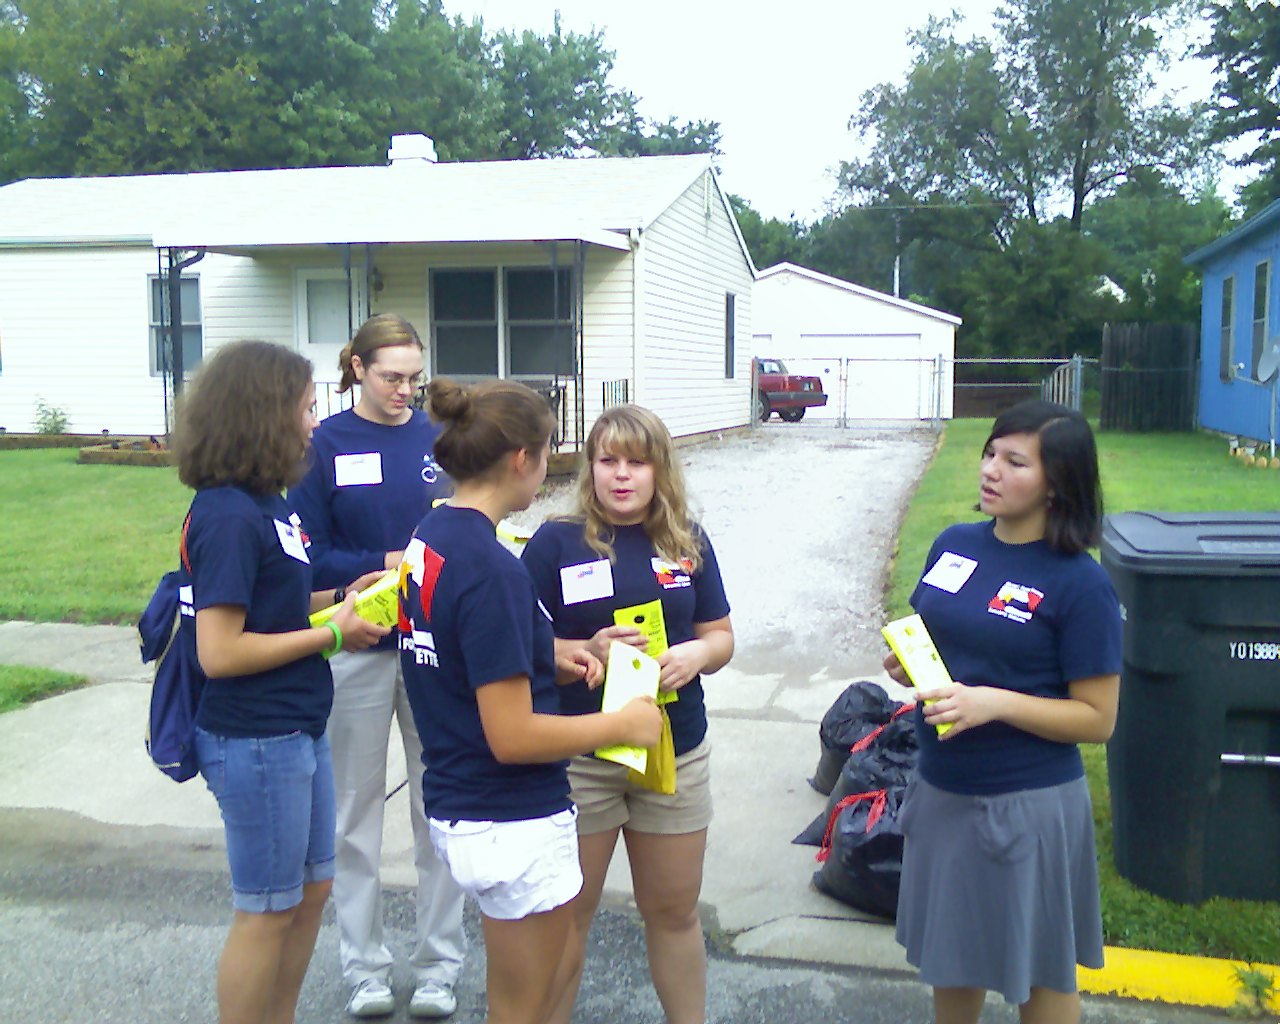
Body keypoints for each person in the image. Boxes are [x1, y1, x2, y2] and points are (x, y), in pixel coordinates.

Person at [399, 378, 663, 1024]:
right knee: (527, 1005)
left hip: (458, 799)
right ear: (523, 459)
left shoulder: (430, 538)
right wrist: (621, 722)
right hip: (509, 814)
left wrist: (551, 654)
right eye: (548, 453)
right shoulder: (494, 569)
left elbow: (456, 648)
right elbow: (512, 735)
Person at [883, 399, 1122, 1024]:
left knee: (1039, 973)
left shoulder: (1081, 584)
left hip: (1027, 804)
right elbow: (950, 640)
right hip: (943, 790)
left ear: (1057, 483)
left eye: (1016, 461)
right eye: (991, 453)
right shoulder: (954, 544)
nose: (991, 469)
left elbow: (1097, 719)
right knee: (951, 964)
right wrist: (912, 664)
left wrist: (994, 703)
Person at [171, 340, 388, 1024]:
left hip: (298, 727)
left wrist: (341, 598)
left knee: (313, 889)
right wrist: (333, 636)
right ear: (264, 413)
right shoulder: (228, 515)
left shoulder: (269, 503)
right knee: (265, 909)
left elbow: (273, 606)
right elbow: (221, 651)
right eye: (304, 406)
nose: (313, 421)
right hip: (255, 737)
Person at [521, 404, 735, 1024]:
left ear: (658, 470)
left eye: (636, 462)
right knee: (567, 918)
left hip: (673, 749)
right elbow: (519, 649)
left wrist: (696, 653)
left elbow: (721, 637)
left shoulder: (686, 541)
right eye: (608, 460)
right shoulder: (554, 543)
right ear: (590, 468)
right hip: (580, 755)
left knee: (673, 912)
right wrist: (580, 652)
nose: (621, 475)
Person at [290, 314, 466, 1019]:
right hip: (359, 645)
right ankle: (364, 966)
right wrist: (378, 568)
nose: (405, 391)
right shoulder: (322, 445)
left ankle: (438, 967)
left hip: (434, 650)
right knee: (354, 816)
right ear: (356, 368)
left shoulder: (440, 439)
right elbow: (304, 558)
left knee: (441, 813)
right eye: (392, 377)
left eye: (414, 379)